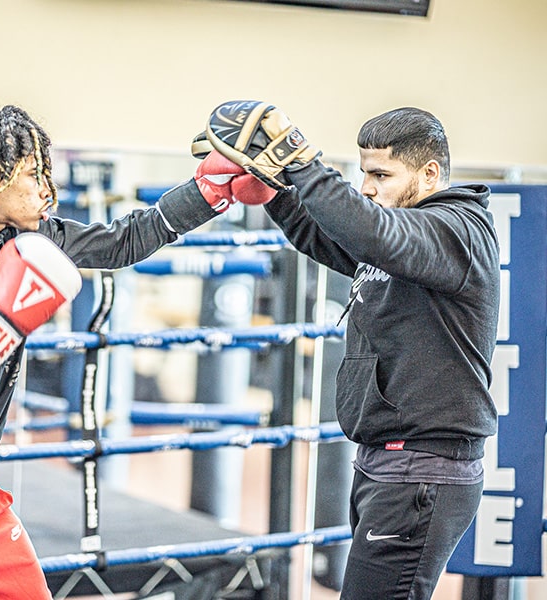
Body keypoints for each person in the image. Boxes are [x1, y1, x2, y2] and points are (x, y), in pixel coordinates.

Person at [0, 104, 275, 600]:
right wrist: (4, 321)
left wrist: (210, 193)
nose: (48, 188)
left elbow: (121, 241)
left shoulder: (30, 239)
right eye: (33, 173)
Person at [201, 101, 500, 599]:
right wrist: (273, 190)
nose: (367, 187)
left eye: (381, 174)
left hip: (421, 472)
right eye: (363, 173)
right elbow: (327, 236)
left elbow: (368, 229)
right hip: (386, 464)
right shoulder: (403, 235)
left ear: (429, 173)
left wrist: (298, 157)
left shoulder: (456, 230)